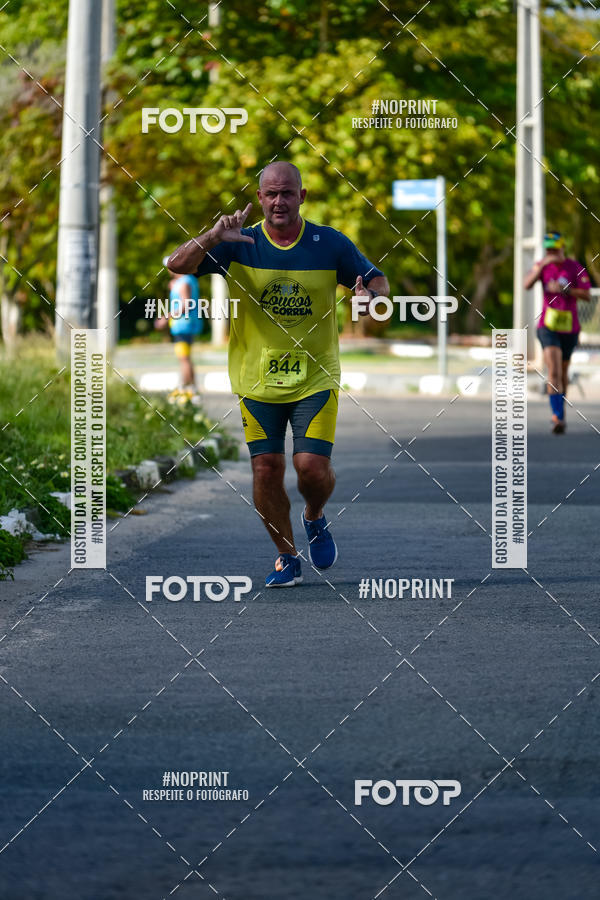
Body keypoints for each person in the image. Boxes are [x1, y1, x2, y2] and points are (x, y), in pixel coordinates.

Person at [167, 161, 389, 586]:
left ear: (302, 196)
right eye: (271, 194)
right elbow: (177, 264)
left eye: (287, 193)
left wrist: (371, 300)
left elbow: (378, 281)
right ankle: (287, 556)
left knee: (311, 467)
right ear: (259, 198)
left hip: (315, 376)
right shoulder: (238, 242)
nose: (279, 201)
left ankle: (314, 515)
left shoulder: (329, 243)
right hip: (256, 378)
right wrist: (213, 236)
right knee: (266, 468)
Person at [525, 231, 591, 434]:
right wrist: (541, 266)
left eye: (554, 249)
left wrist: (567, 290)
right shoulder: (542, 266)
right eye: (548, 250)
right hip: (548, 326)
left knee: (562, 372)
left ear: (563, 247)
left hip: (570, 327)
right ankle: (556, 417)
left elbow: (587, 295)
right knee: (553, 370)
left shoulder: (575, 267)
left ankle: (560, 412)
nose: (551, 253)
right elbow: (526, 284)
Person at [155, 258, 203, 393]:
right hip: (186, 325)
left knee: (184, 359)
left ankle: (186, 390)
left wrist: (166, 318)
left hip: (183, 325)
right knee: (186, 357)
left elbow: (185, 305)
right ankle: (192, 389)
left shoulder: (183, 283)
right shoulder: (187, 280)